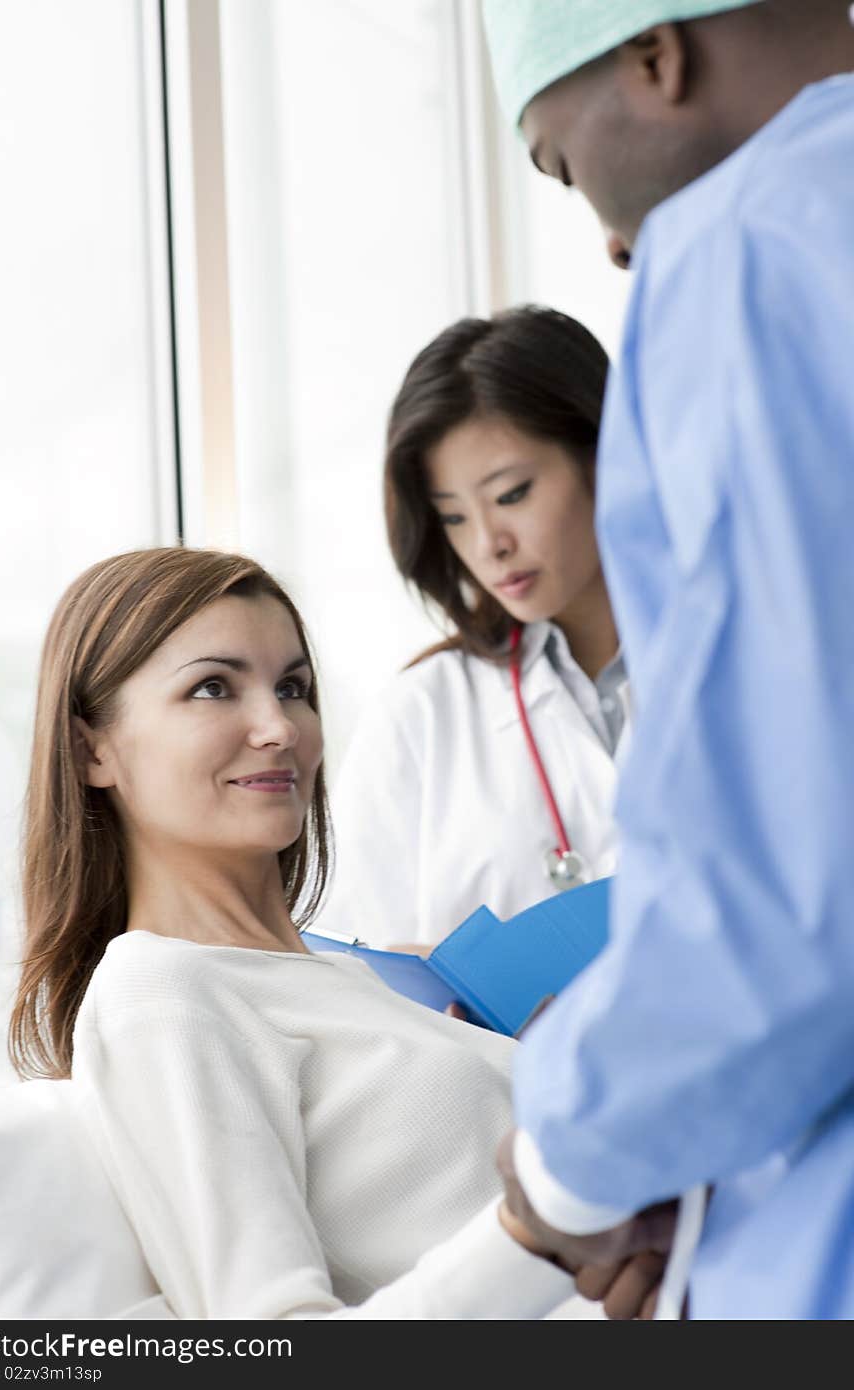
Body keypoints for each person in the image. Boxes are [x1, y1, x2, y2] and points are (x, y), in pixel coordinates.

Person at [480, 0, 854, 1317]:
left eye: (565, 165)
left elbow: (782, 901)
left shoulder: (749, 248)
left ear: (655, 52)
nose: (615, 240)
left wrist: (564, 1167)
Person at [8, 545, 605, 1321]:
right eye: (213, 687)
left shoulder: (368, 984)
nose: (280, 727)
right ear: (94, 748)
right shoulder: (161, 994)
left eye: (293, 687)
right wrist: (536, 1231)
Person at [319, 306, 627, 951]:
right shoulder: (420, 714)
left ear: (605, 457)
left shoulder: (752, 663)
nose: (490, 545)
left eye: (512, 494)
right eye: (454, 517)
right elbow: (361, 968)